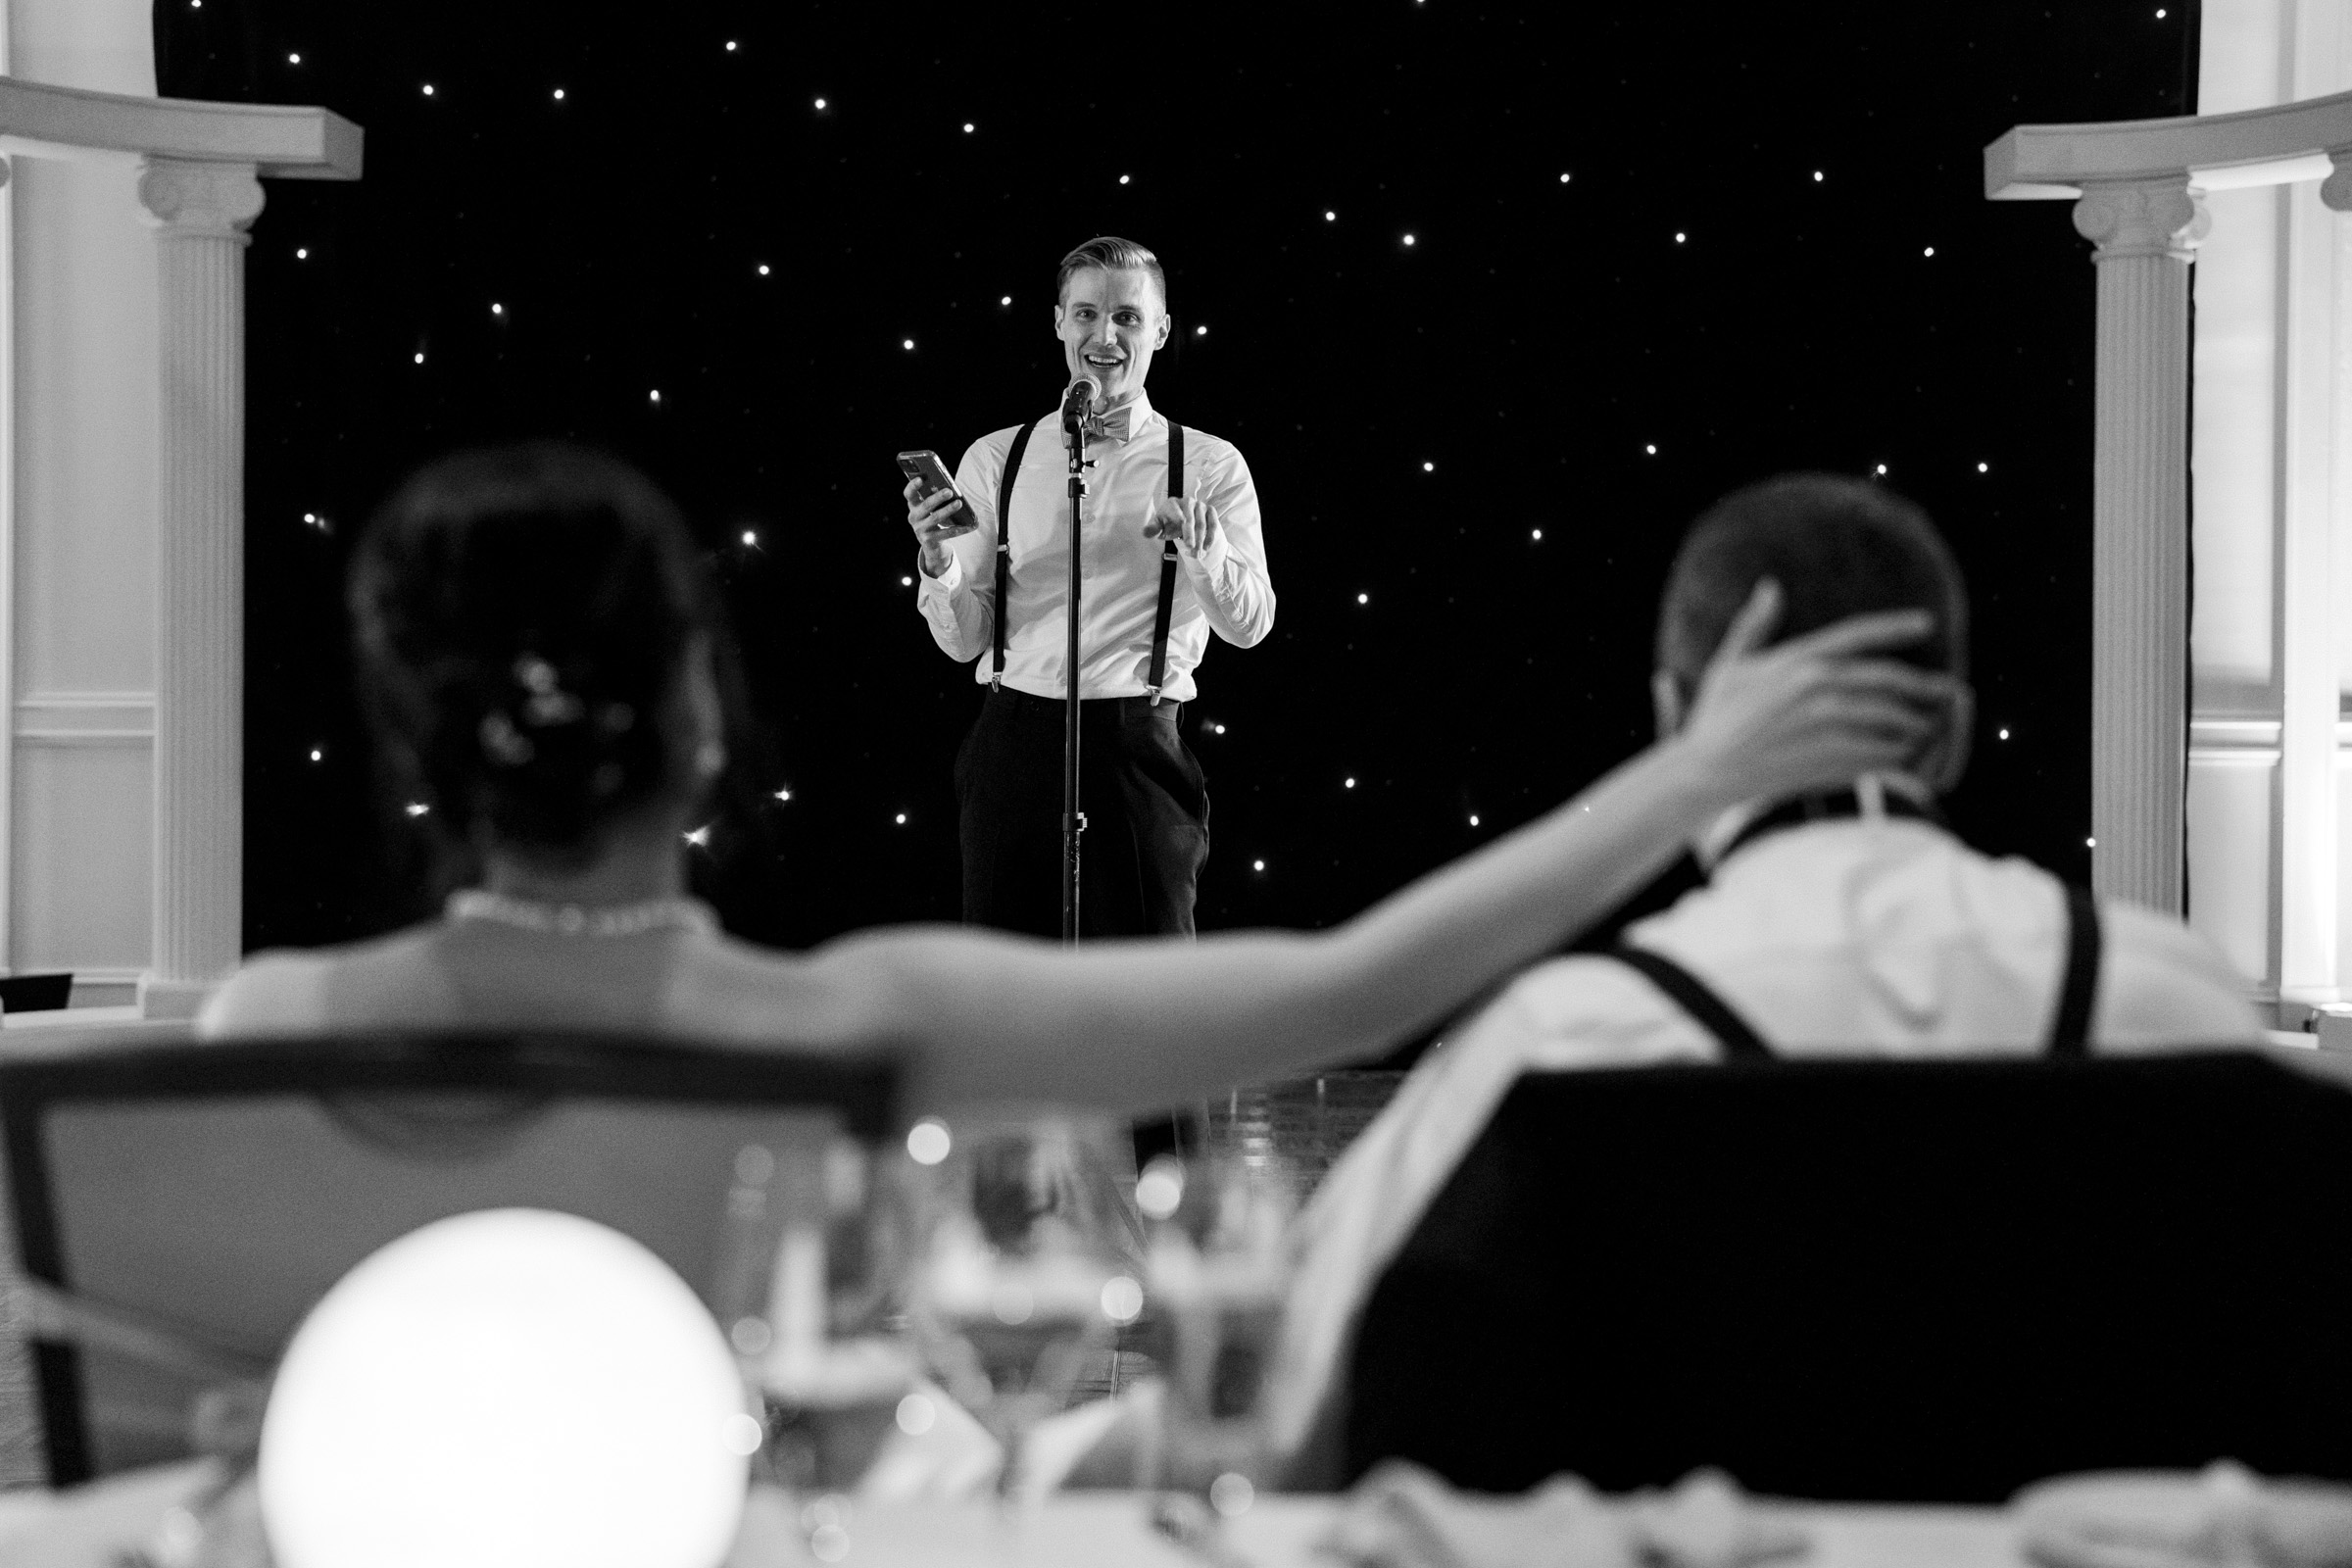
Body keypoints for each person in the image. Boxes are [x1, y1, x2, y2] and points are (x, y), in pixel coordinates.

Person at [200, 444, 1953, 1125]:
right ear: (706, 727)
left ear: (411, 743)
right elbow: (1366, 984)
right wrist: (1697, 769)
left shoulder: (255, 1031)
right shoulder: (853, 1024)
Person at [1257, 472, 2268, 1486]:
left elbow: (1286, 1417)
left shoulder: (1558, 1048)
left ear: (1673, 720)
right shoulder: (2185, 1011)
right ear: (1952, 730)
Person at [903, 235, 1271, 940]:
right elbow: (966, 642)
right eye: (1087, 314)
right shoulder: (997, 456)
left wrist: (1204, 546)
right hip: (1013, 744)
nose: (1105, 334)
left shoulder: (1210, 464)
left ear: (1161, 331)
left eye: (1128, 317)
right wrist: (938, 564)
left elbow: (1251, 624)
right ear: (1058, 323)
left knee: (1150, 991)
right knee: (1008, 983)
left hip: (1137, 747)